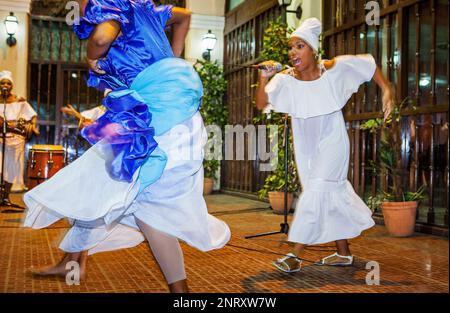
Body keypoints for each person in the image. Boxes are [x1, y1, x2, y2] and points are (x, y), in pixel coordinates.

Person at [24, 0, 230, 293]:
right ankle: (73, 262)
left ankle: (180, 291)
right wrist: (172, 57)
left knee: (147, 205)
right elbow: (184, 17)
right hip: (169, 114)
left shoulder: (112, 11)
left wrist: (93, 56)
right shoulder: (146, 10)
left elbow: (101, 37)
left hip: (154, 121)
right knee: (98, 183)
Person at [255, 18, 395, 273]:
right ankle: (343, 254)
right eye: (291, 47)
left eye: (299, 46)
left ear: (313, 50)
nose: (293, 52)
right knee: (324, 193)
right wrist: (264, 77)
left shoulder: (333, 69)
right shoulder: (286, 80)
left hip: (333, 141)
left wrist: (387, 90)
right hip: (305, 144)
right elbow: (261, 103)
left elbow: (368, 65)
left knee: (316, 192)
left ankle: (295, 254)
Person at [0, 71, 39, 197]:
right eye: (2, 83)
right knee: (1, 167)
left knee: (11, 169)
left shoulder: (19, 101)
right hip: (1, 138)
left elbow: (32, 114)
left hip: (16, 140)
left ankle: (5, 197)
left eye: (8, 83)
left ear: (11, 86)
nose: (5, 85)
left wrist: (32, 126)